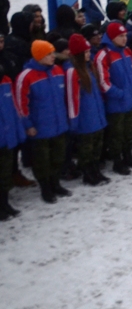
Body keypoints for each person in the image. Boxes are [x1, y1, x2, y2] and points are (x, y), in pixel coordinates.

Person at [15, 40, 71, 202]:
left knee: (58, 157)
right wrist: (28, 125)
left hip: (59, 124)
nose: (53, 56)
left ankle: (55, 184)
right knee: (42, 161)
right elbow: (21, 104)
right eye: (48, 54)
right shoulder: (26, 76)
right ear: (39, 55)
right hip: (40, 128)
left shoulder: (58, 71)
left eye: (53, 53)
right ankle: (46, 188)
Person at [95, 22, 132, 174]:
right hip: (116, 103)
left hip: (130, 100)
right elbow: (103, 82)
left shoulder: (127, 51)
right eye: (120, 36)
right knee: (117, 134)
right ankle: (118, 161)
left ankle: (128, 156)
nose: (124, 39)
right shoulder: (104, 55)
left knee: (128, 131)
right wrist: (120, 94)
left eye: (125, 36)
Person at [65, 33, 110, 185]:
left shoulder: (89, 67)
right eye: (85, 52)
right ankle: (88, 173)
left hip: (96, 114)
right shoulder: (74, 72)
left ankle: (95, 170)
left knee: (97, 147)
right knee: (87, 149)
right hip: (85, 118)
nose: (88, 54)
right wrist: (74, 120)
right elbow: (72, 98)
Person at [0, 56, 25, 218]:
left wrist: (18, 130)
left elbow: (14, 106)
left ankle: (5, 202)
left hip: (7, 135)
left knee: (5, 171)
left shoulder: (6, 81)